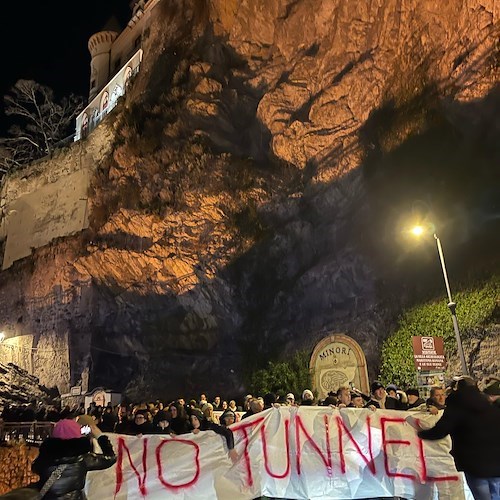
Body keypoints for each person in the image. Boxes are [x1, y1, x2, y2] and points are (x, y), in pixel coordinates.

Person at [417, 376, 500, 500]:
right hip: (496, 464)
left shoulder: (456, 406)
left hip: (474, 465)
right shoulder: (489, 406)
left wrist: (421, 433)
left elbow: (440, 431)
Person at [30, 418, 116, 499]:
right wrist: (101, 437)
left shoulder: (43, 458)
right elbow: (111, 458)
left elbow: (35, 471)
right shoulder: (82, 459)